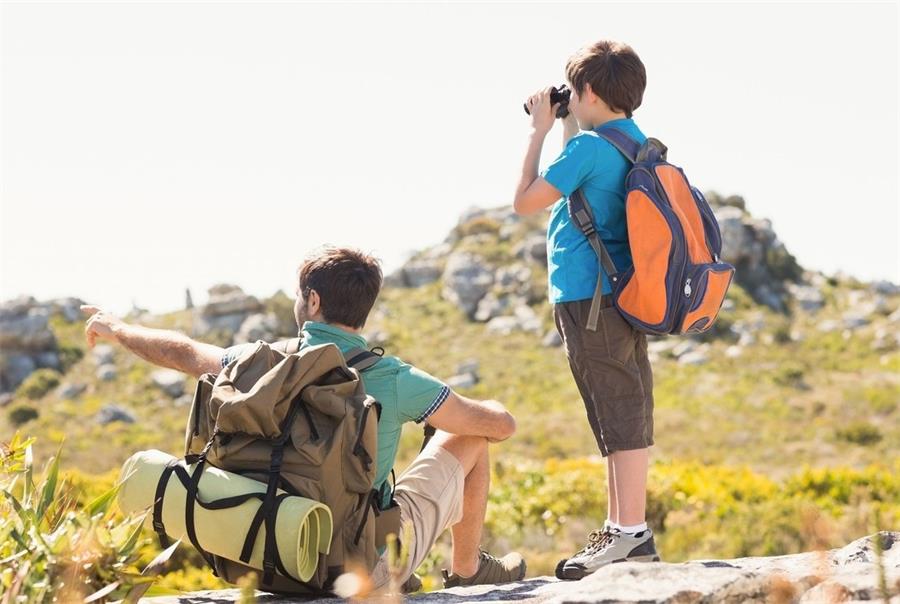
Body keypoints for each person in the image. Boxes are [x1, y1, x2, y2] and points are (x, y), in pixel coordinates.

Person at [83, 246, 526, 590]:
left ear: (312, 301)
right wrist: (492, 408)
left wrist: (118, 329)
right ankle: (468, 572)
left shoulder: (252, 363)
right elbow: (499, 427)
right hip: (355, 572)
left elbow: (180, 351)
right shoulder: (393, 377)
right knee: (467, 438)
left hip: (271, 553)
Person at [512, 40, 659, 579]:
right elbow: (586, 185)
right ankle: (623, 528)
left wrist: (538, 131)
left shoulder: (587, 150)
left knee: (614, 410)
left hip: (587, 298)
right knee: (621, 406)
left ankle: (628, 533)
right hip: (623, 296)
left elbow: (525, 200)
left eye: (572, 92)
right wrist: (569, 124)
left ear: (588, 92)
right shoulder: (631, 141)